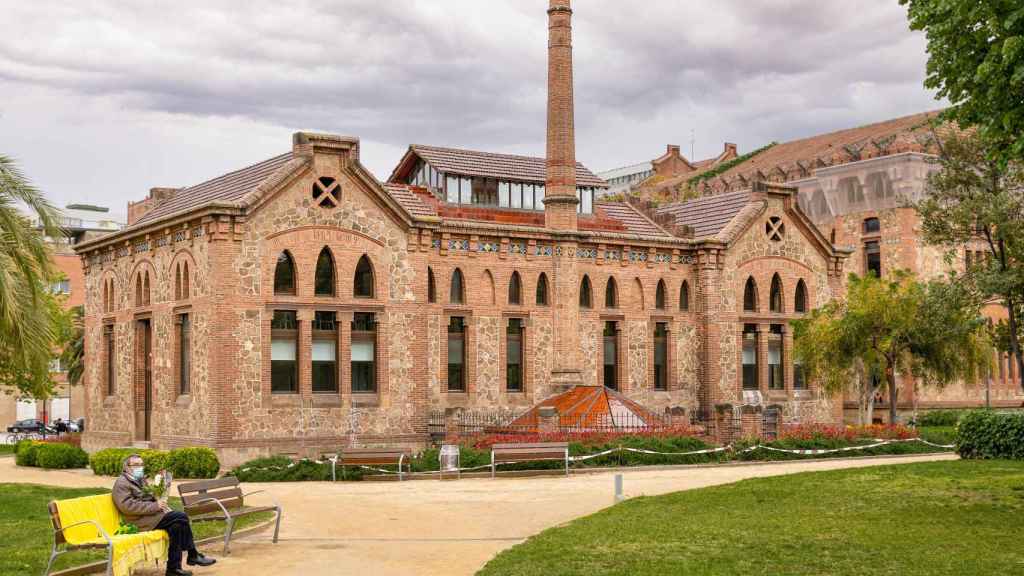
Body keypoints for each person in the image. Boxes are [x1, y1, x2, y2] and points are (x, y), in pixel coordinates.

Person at [112, 454, 216, 576]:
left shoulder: (140, 480)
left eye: (141, 464)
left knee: (177, 526)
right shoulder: (122, 483)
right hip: (138, 521)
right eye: (136, 465)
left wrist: (159, 493)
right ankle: (193, 554)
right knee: (180, 516)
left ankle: (173, 569)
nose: (140, 467)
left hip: (150, 517)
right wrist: (155, 506)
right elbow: (127, 507)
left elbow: (148, 497)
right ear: (126, 467)